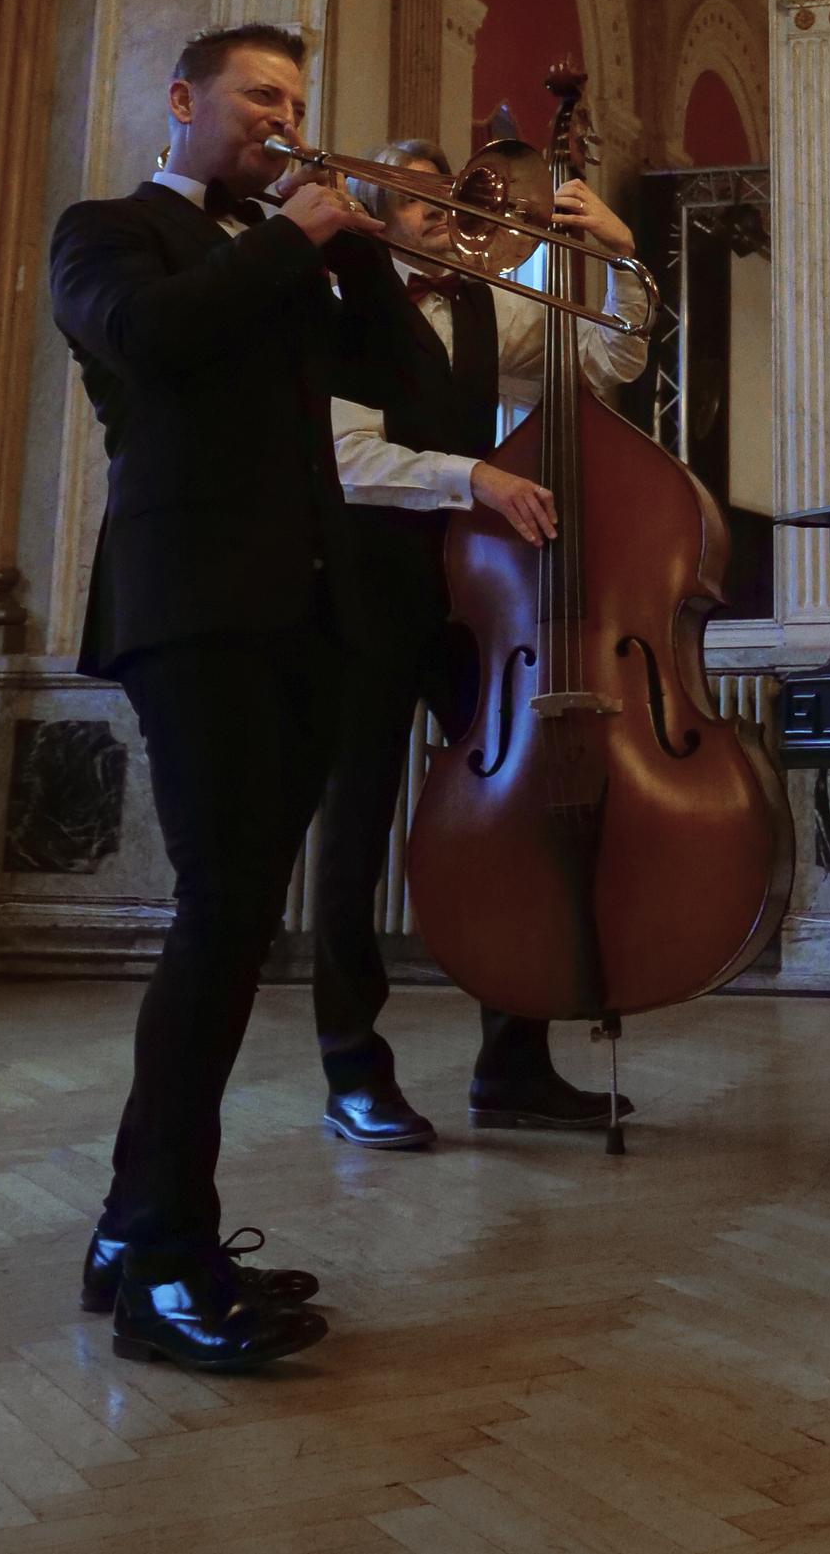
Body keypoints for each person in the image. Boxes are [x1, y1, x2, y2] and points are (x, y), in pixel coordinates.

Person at [51, 24, 442, 1375]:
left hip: (305, 616)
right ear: (183, 99)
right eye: (259, 95)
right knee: (220, 912)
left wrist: (361, 253)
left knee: (235, 922)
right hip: (192, 606)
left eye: (296, 99)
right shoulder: (110, 232)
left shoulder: (282, 257)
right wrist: (289, 239)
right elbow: (149, 342)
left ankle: (131, 1233)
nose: (283, 117)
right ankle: (166, 1256)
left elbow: (414, 391)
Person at [313, 133, 652, 1144]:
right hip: (366, 592)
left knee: (522, 813)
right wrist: (477, 477)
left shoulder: (481, 303)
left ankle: (513, 1063)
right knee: (355, 829)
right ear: (373, 211)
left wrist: (619, 258)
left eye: (446, 192)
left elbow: (608, 359)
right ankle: (351, 1070)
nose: (444, 208)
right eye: (416, 195)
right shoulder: (337, 298)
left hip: (473, 600)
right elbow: (349, 460)